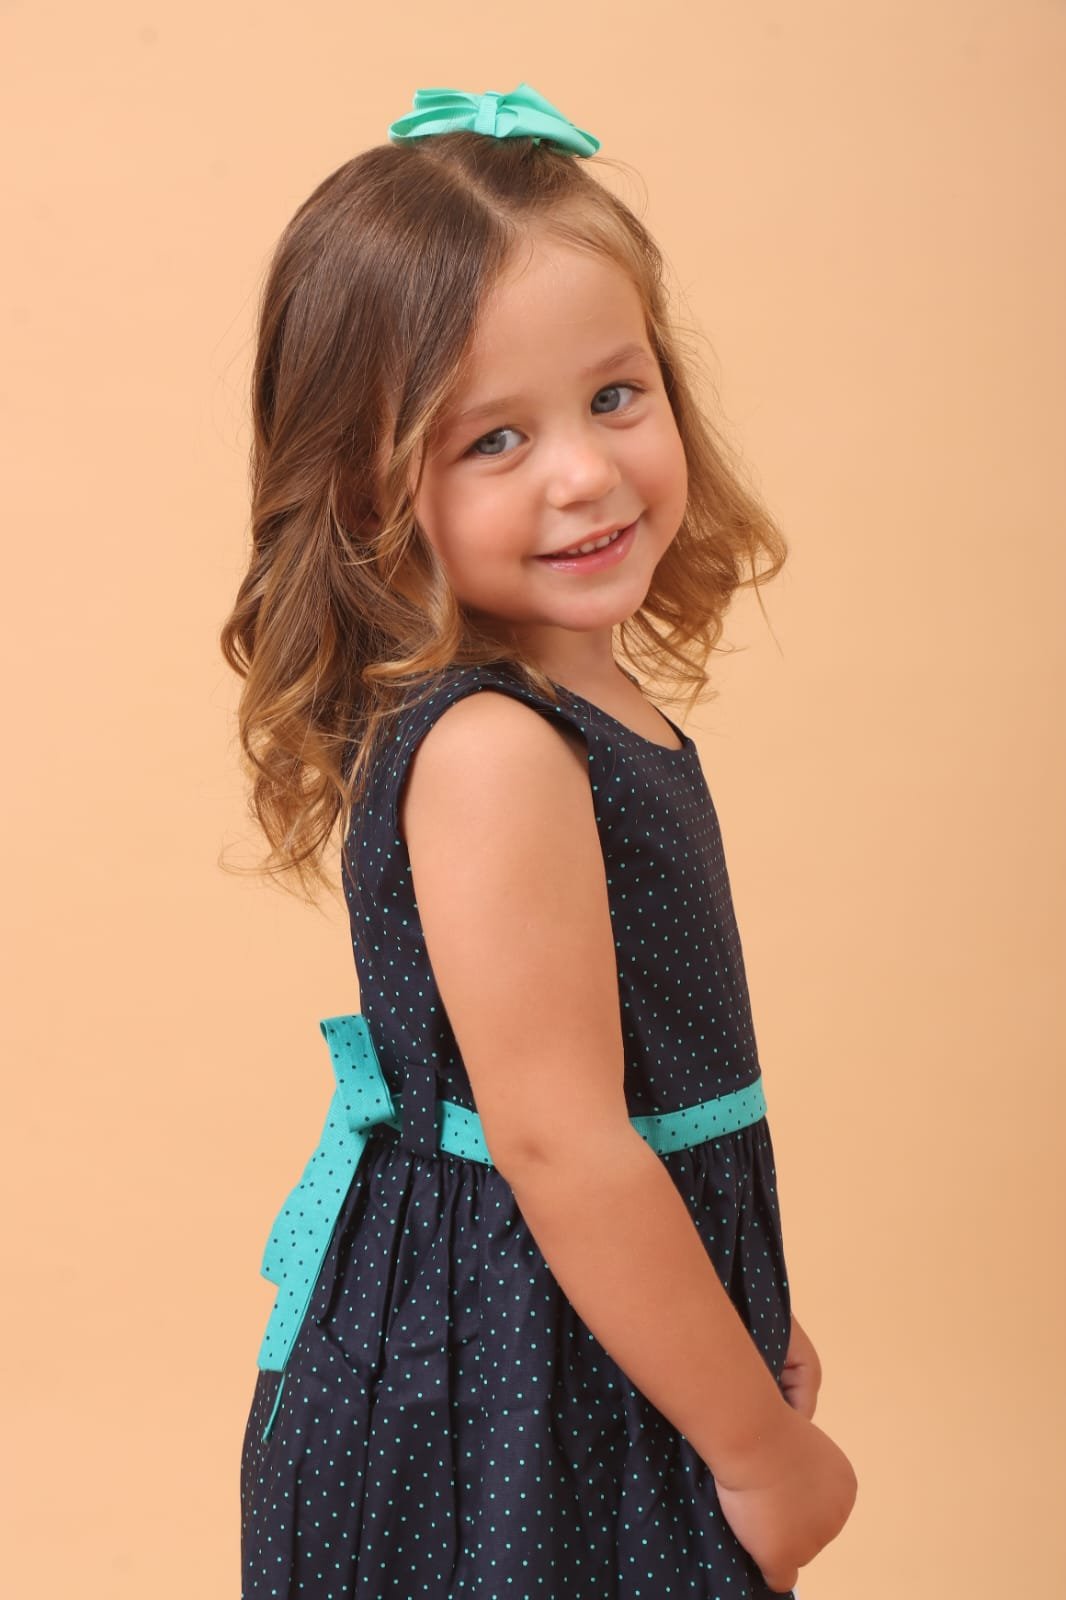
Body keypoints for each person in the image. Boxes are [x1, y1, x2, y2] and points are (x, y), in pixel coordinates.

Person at [222, 82, 857, 1600]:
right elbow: (561, 1142)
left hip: (587, 1309)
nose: (582, 472)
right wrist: (756, 1450)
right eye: (494, 438)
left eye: (615, 396)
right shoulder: (496, 748)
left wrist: (732, 1310)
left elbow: (634, 1102)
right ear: (368, 489)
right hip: (506, 1367)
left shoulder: (577, 702)